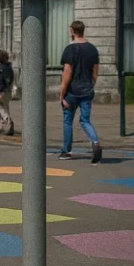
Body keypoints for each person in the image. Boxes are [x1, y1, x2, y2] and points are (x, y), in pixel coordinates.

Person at [58, 20, 102, 163]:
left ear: (72, 31)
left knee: (67, 121)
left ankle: (66, 151)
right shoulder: (92, 49)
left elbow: (67, 72)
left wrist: (62, 92)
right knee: (85, 120)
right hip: (87, 90)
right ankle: (95, 142)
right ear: (83, 30)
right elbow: (95, 72)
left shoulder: (70, 49)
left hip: (72, 91)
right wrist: (91, 85)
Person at [0, 49, 15, 135]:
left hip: (0, 91)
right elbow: (10, 79)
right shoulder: (9, 67)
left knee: (1, 108)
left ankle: (7, 124)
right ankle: (6, 125)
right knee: (5, 107)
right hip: (7, 91)